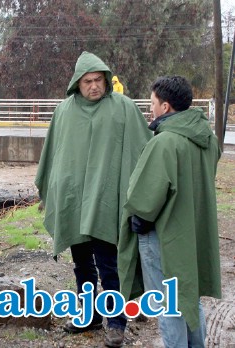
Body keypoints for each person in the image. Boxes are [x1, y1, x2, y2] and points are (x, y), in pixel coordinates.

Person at [35, 51, 152, 348]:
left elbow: (144, 150)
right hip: (74, 202)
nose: (94, 86)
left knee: (109, 264)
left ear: (105, 79)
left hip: (105, 201)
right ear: (78, 82)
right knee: (82, 265)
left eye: (98, 79)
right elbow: (54, 155)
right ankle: (88, 315)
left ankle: (116, 323)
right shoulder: (64, 112)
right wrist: (50, 192)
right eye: (88, 81)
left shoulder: (123, 108)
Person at [118, 76, 222, 347]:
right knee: (189, 295)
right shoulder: (207, 139)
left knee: (167, 304)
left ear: (165, 107)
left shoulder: (165, 142)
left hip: (163, 237)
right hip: (192, 232)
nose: (151, 109)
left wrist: (137, 219)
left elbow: (144, 199)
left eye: (152, 103)